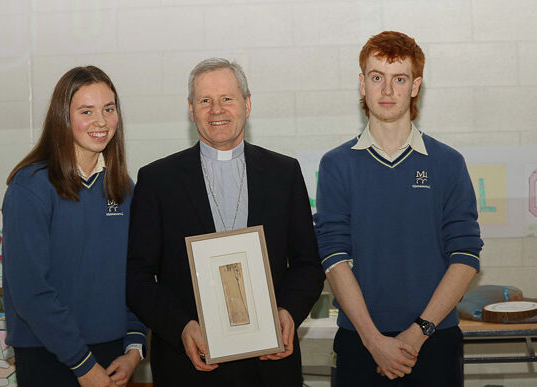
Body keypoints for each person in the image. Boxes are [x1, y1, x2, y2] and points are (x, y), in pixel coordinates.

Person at [127, 58, 325, 387]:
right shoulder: (158, 180)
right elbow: (137, 277)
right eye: (205, 100)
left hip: (269, 366)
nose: (217, 110)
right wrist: (182, 327)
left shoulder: (284, 174)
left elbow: (307, 264)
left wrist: (288, 312)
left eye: (227, 99)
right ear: (191, 109)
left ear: (247, 104)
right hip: (189, 365)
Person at [314, 31, 484, 387]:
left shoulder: (448, 163)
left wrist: (417, 334)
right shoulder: (336, 165)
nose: (387, 91)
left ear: (415, 86)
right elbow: (333, 255)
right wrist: (374, 341)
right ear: (362, 84)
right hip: (360, 344)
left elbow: (466, 255)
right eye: (377, 78)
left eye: (399, 79)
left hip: (434, 341)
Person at [2, 66, 147, 387]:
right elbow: (30, 292)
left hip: (112, 354)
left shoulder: (123, 189)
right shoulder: (31, 187)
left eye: (109, 109)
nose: (101, 121)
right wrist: (82, 365)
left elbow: (135, 275)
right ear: (62, 118)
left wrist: (134, 348)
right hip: (48, 354)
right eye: (86, 111)